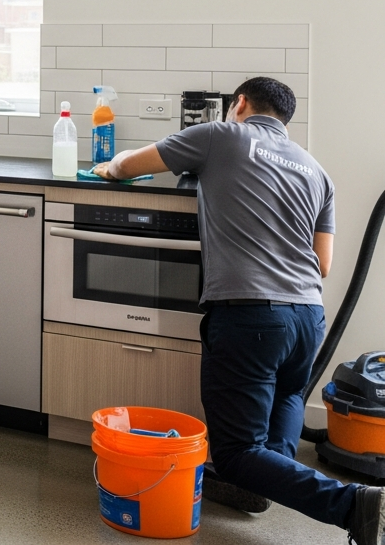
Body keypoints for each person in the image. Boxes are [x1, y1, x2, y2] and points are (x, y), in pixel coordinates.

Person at [93, 76, 382, 544]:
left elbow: (131, 165)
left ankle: (352, 504)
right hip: (308, 316)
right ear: (285, 118)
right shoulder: (316, 170)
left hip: (250, 316)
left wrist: (110, 166)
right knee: (286, 399)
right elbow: (323, 263)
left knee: (235, 452)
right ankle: (260, 489)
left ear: (240, 103)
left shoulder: (222, 135)